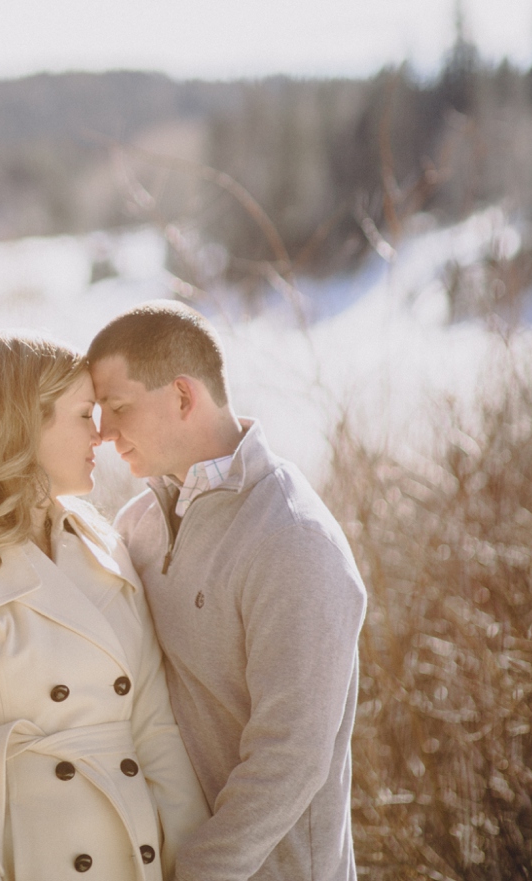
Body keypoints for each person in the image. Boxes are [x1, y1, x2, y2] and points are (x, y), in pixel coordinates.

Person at [0, 331, 208, 881]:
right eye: (83, 414)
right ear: (22, 425)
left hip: (137, 860)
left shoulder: (107, 547)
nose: (101, 434)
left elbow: (155, 730)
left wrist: (199, 867)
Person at [88, 302, 367, 881]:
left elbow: (289, 757)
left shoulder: (293, 539)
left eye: (118, 408)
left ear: (184, 397)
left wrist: (199, 871)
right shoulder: (135, 525)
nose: (104, 433)